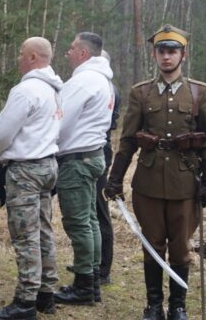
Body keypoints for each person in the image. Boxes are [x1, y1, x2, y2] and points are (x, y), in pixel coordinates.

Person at [104, 24, 206, 320]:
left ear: (183, 54)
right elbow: (128, 139)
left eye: (172, 51)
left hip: (185, 184)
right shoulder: (140, 93)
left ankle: (178, 306)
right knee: (152, 245)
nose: (166, 56)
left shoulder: (200, 93)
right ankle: (154, 306)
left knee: (180, 249)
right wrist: (115, 178)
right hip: (148, 184)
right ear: (154, 54)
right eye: (161, 51)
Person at [0, 37, 63, 320]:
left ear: (33, 57)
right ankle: (46, 293)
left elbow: (4, 130)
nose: (18, 58)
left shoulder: (27, 90)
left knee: (26, 235)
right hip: (47, 165)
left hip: (26, 170)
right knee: (43, 230)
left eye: (21, 54)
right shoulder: (55, 89)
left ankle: (25, 301)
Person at [53, 32, 114, 306]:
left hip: (78, 160)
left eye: (72, 47)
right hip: (91, 156)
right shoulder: (101, 79)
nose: (68, 52)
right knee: (89, 222)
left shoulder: (85, 80)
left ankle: (83, 287)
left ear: (84, 53)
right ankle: (91, 284)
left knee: (80, 224)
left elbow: (59, 120)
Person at [66, 49, 121, 286]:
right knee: (89, 213)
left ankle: (101, 269)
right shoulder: (104, 85)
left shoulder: (104, 86)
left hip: (95, 150)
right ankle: (89, 265)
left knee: (96, 212)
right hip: (94, 150)